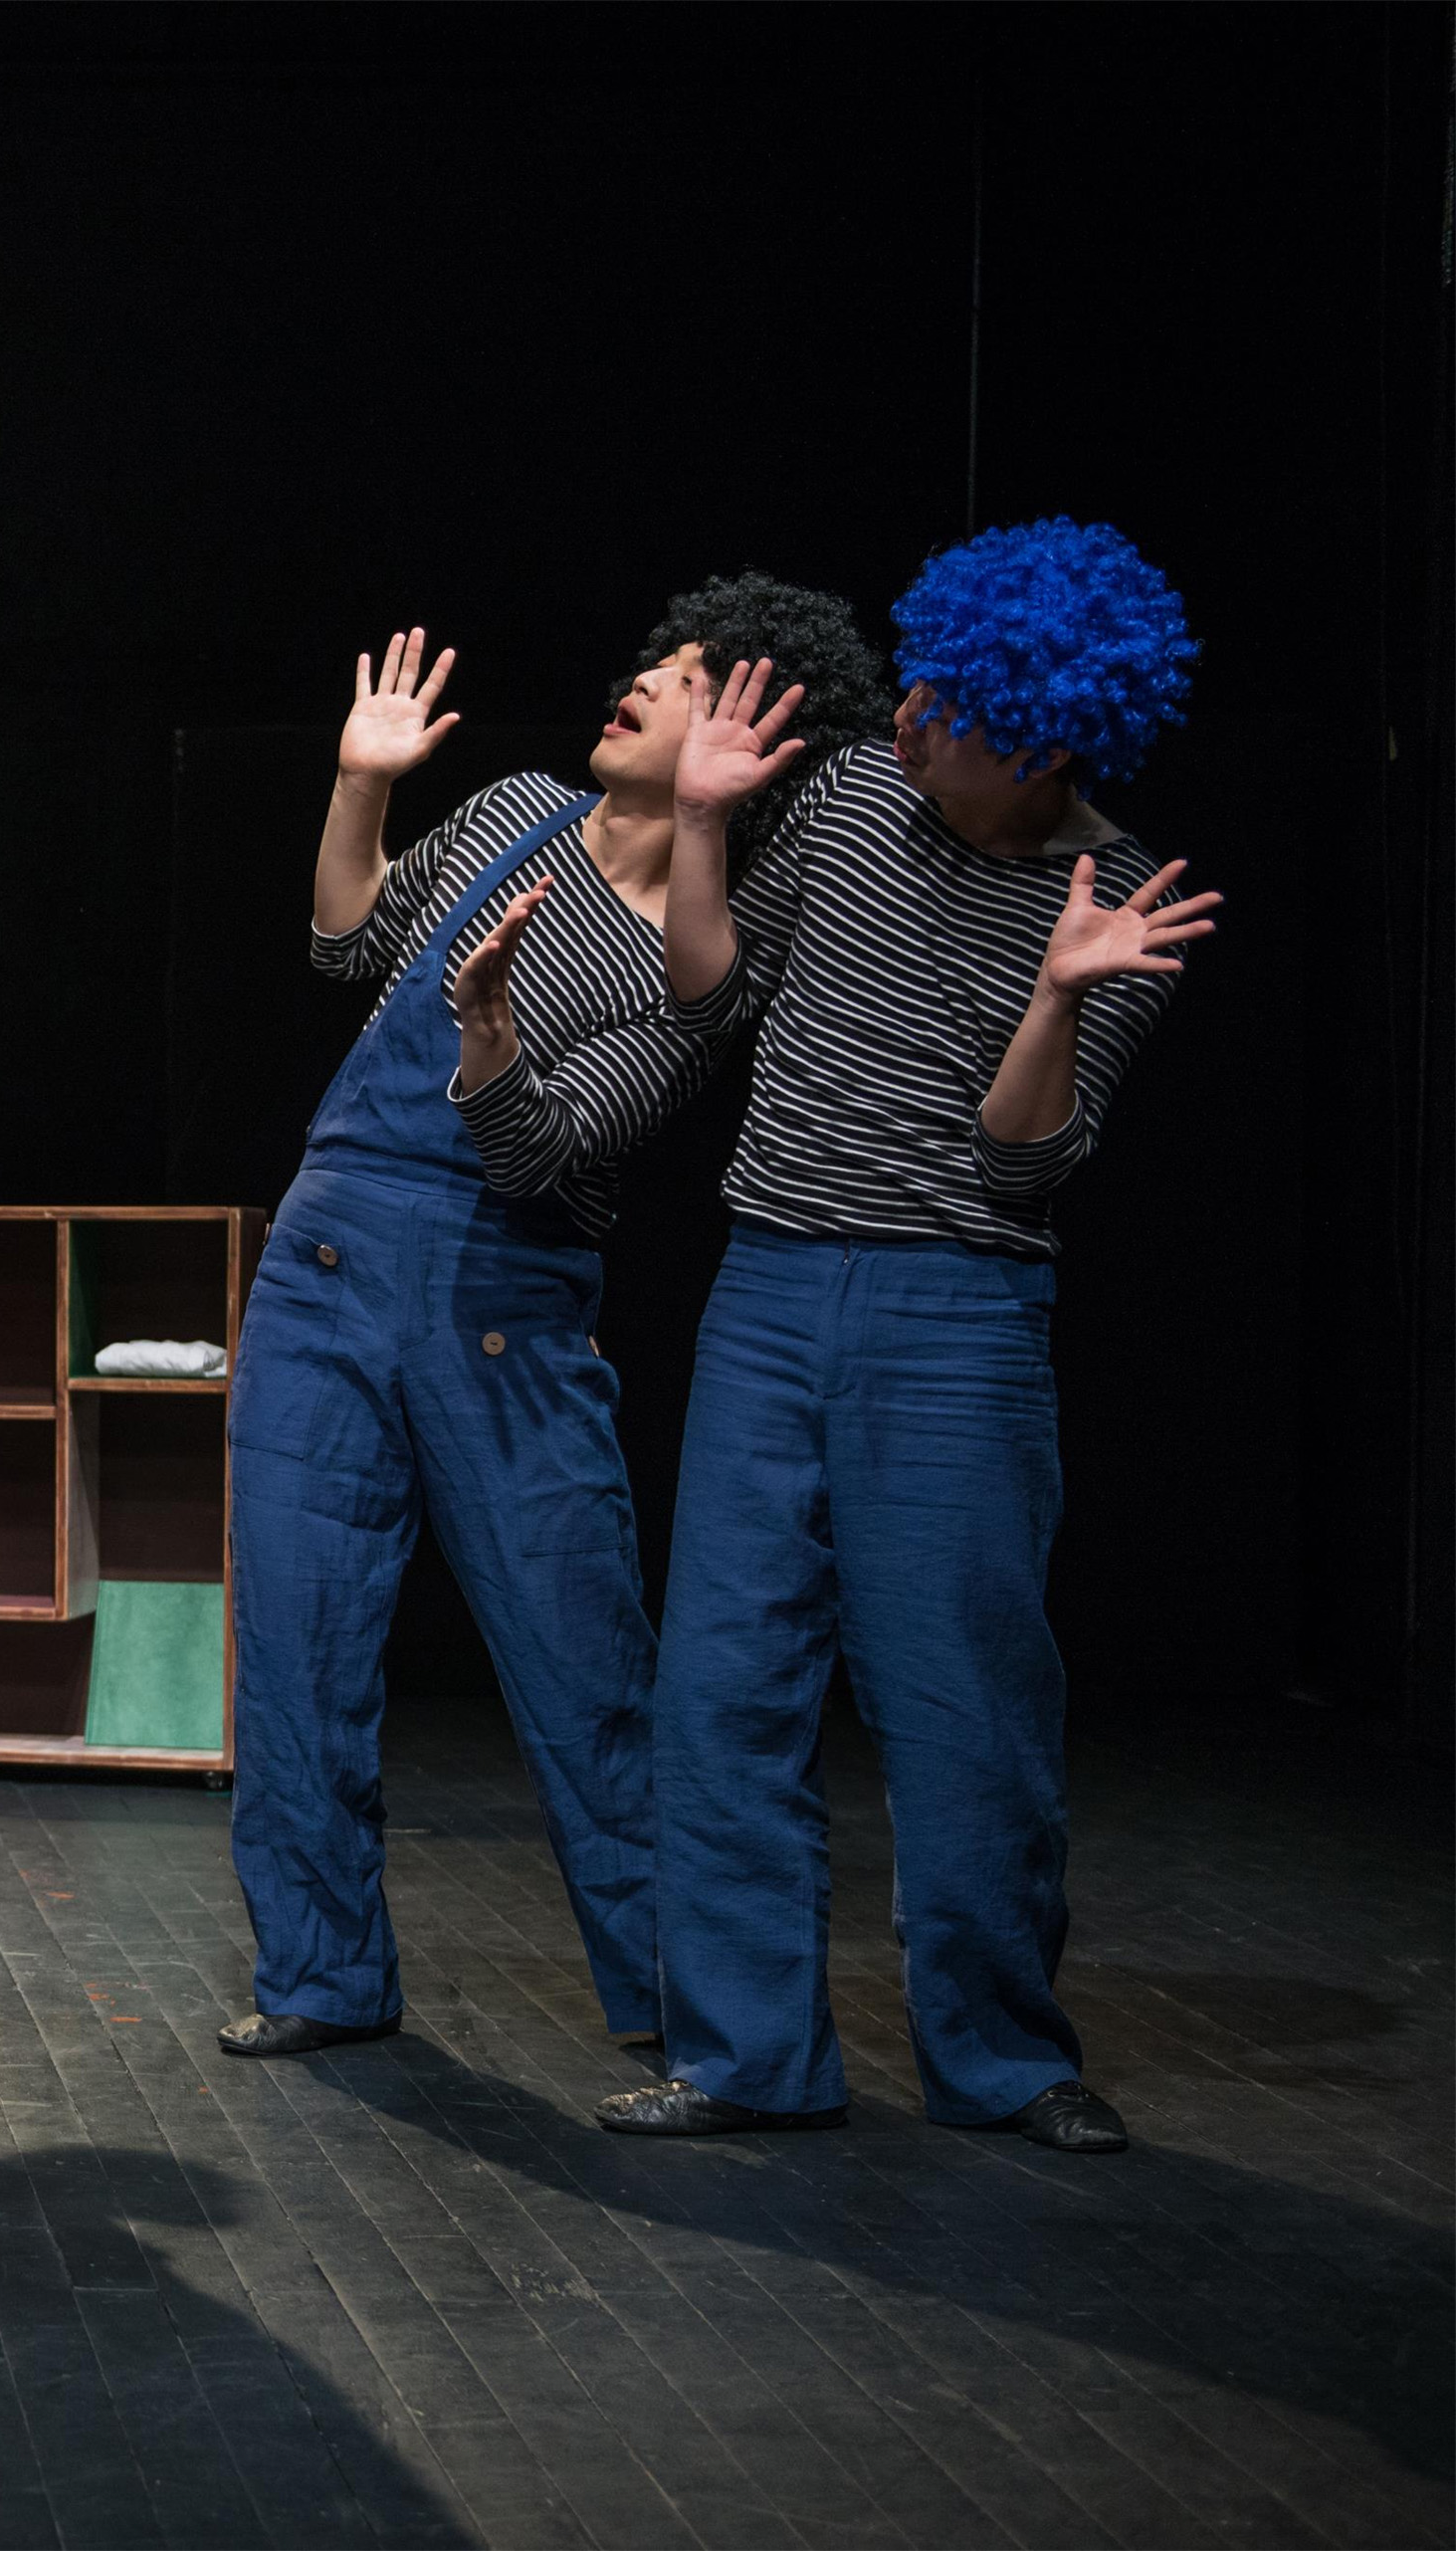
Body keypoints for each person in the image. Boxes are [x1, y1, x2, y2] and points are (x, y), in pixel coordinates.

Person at [604, 520, 1214, 2151]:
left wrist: (1060, 992)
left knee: (963, 1702)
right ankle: (745, 2054)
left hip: (957, 1312)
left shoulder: (1123, 900)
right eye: (923, 684)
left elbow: (1024, 1159)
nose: (917, 717)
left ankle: (1004, 2057)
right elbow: (709, 992)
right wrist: (707, 825)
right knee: (725, 1681)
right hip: (771, 1287)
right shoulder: (858, 793)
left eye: (960, 710)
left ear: (1049, 743)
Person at [220, 581, 889, 2062]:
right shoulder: (519, 807)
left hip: (503, 1302)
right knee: (298, 1647)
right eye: (653, 659)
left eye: (684, 674)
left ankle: (678, 2003)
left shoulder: (704, 959)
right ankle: (322, 1973)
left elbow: (544, 1154)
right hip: (326, 1257)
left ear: (749, 727)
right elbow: (344, 940)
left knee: (585, 1671)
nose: (640, 679)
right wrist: (360, 783)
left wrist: (489, 1039)